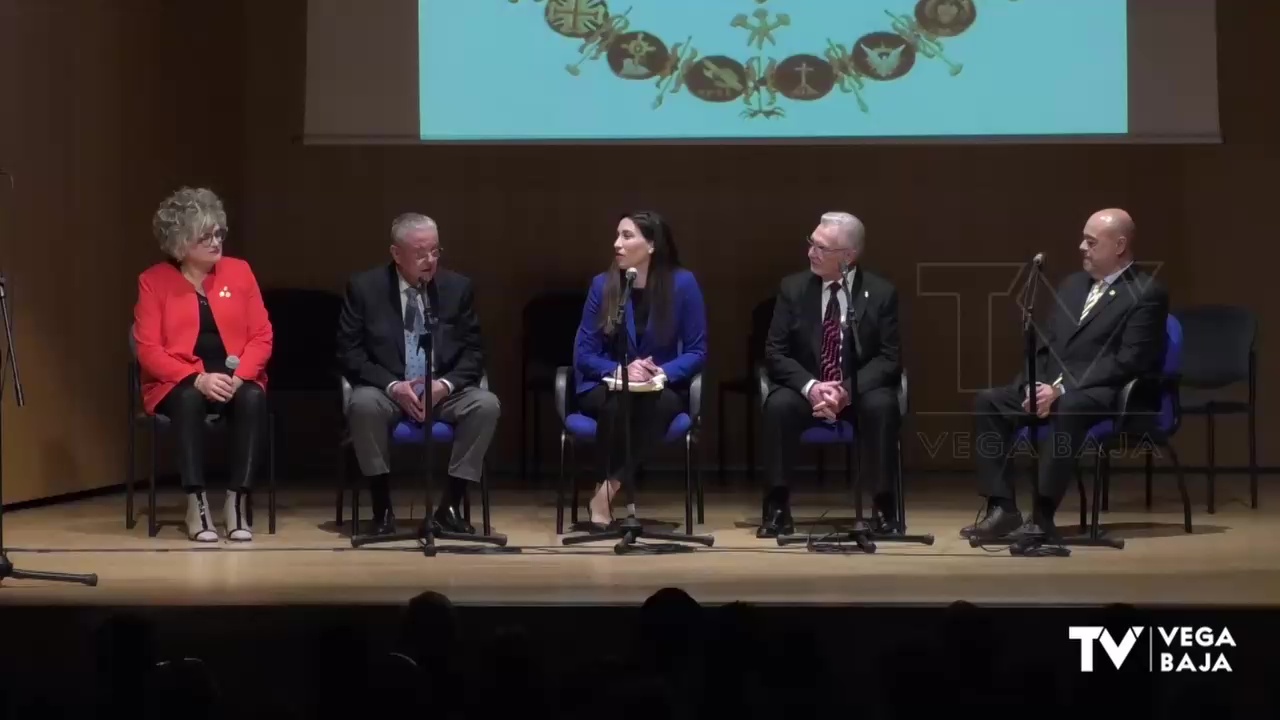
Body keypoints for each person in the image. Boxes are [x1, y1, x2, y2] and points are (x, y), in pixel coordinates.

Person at [963, 208, 1168, 542]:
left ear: (1119, 245)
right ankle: (1002, 509)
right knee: (989, 402)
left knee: (1068, 406)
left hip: (1105, 392)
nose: (1081, 247)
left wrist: (1059, 390)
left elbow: (1130, 360)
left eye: (1090, 242)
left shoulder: (1146, 293)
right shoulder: (1073, 285)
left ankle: (1042, 518)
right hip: (1055, 385)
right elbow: (1047, 342)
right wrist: (1033, 384)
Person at [336, 213, 501, 536]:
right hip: (388, 391)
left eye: (435, 251)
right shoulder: (365, 289)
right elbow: (349, 353)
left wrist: (444, 385)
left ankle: (449, 507)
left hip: (443, 390)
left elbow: (474, 352)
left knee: (486, 404)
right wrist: (393, 386)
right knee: (362, 404)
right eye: (420, 253)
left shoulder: (457, 288)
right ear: (396, 254)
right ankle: (382, 509)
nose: (430, 260)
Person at [132, 187, 273, 542]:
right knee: (189, 400)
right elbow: (148, 349)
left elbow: (262, 335)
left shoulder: (240, 272)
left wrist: (240, 378)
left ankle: (236, 502)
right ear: (180, 243)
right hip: (177, 381)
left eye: (218, 233)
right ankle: (196, 502)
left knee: (254, 398)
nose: (215, 242)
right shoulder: (153, 282)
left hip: (234, 378)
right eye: (204, 236)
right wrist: (196, 379)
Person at [759, 212, 903, 538]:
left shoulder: (881, 294)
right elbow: (775, 352)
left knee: (883, 406)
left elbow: (888, 359)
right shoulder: (792, 289)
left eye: (822, 248)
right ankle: (777, 505)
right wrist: (812, 388)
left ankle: (883, 505)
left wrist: (846, 392)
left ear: (848, 257)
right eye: (811, 243)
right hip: (806, 389)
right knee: (777, 405)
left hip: (857, 390)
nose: (811, 252)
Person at [572, 211, 707, 527]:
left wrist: (660, 373)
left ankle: (605, 492)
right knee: (616, 404)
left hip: (660, 385)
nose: (616, 244)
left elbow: (697, 351)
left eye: (627, 236)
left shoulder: (683, 284)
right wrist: (621, 369)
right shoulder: (603, 285)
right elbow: (584, 353)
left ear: (652, 245)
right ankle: (605, 493)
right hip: (606, 382)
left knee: (657, 406)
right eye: (617, 235)